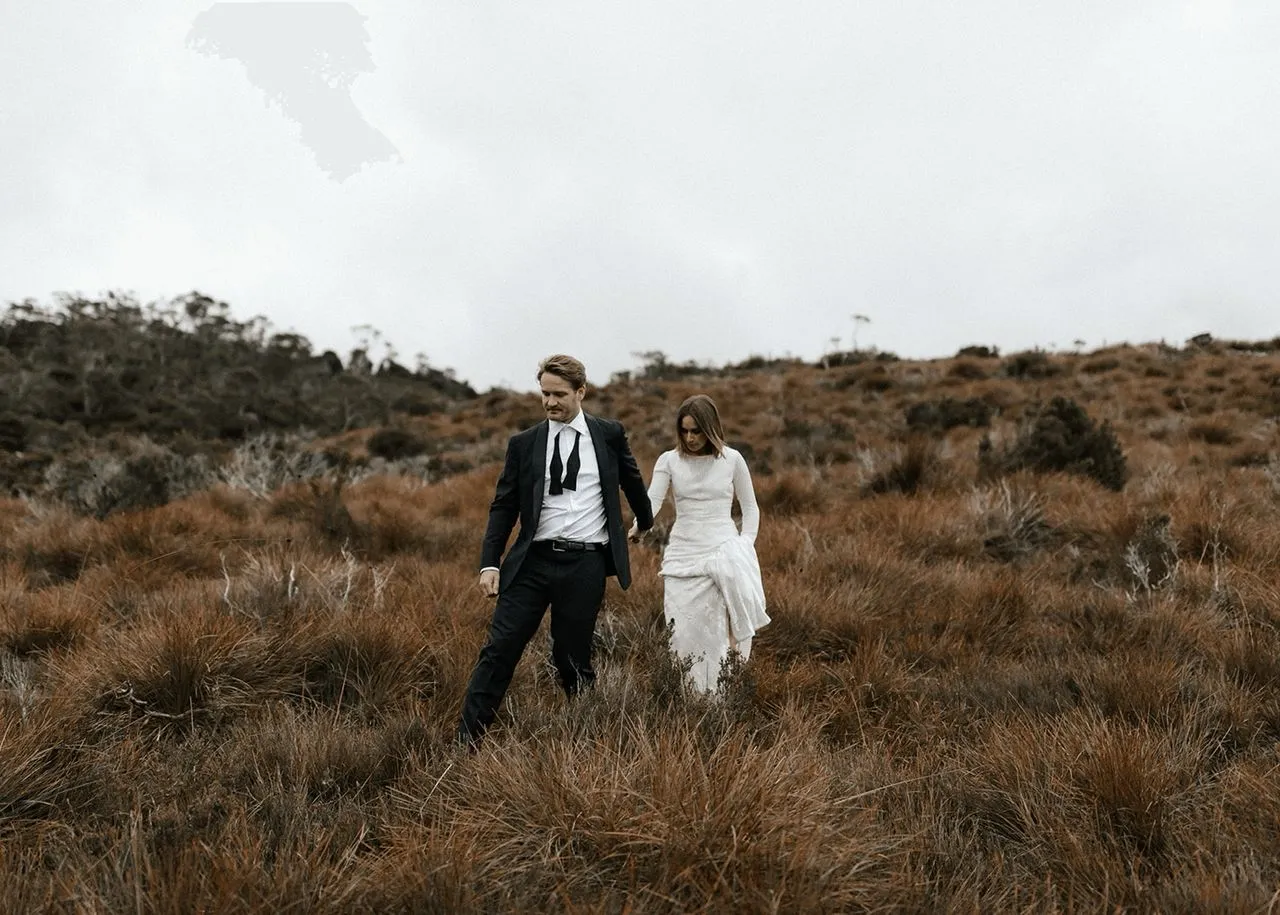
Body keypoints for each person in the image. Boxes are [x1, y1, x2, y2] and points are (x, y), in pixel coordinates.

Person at [457, 354, 654, 746]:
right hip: (532, 563)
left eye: (559, 394)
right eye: (544, 394)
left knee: (571, 658)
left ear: (581, 392)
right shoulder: (524, 443)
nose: (550, 402)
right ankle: (466, 743)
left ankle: (586, 741)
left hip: (585, 564)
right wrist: (488, 564)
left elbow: (632, 483)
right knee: (500, 650)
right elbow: (503, 505)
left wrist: (644, 522)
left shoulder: (609, 435)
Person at [630, 394, 768, 692]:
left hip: (723, 552)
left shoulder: (732, 460)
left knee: (720, 628)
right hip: (683, 552)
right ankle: (689, 696)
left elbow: (751, 507)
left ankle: (723, 694)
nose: (690, 438)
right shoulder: (669, 461)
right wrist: (640, 525)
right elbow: (652, 500)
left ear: (711, 428)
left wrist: (745, 544)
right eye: (684, 430)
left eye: (697, 430)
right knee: (684, 628)